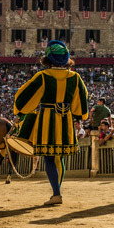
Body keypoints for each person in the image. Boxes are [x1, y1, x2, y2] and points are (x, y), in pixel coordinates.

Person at [14, 40, 89, 207]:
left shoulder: (42, 76)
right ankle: (57, 190)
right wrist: (78, 116)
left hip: (47, 119)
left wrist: (20, 113)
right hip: (66, 120)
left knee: (48, 157)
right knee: (59, 156)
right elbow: (82, 103)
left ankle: (56, 193)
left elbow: (25, 97)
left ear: (47, 59)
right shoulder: (75, 78)